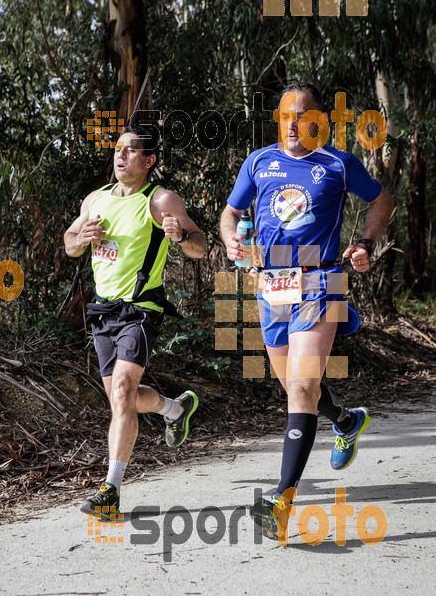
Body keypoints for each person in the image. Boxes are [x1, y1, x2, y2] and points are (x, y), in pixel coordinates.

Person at [220, 82, 394, 539]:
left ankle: (281, 500)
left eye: (302, 116)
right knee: (299, 390)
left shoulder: (337, 163)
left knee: (301, 385)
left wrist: (365, 244)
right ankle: (346, 420)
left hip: (322, 281)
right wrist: (231, 239)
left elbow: (382, 200)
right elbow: (230, 212)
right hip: (271, 287)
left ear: (319, 120)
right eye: (284, 117)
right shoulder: (258, 162)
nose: (292, 124)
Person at [64, 126, 205, 516]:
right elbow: (69, 243)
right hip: (103, 311)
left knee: (124, 389)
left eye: (130, 151)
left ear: (149, 160)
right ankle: (174, 409)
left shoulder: (159, 200)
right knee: (121, 398)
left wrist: (179, 237)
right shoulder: (96, 200)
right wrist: (81, 238)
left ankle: (110, 489)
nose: (120, 156)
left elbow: (200, 246)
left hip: (140, 309)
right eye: (117, 149)